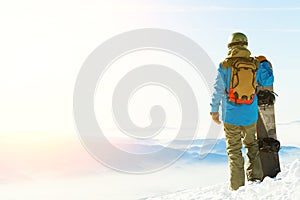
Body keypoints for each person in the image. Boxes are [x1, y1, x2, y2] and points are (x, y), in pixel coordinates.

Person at [210, 32, 274, 190]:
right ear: (246, 44)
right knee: (252, 146)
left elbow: (218, 90)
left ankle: (237, 188)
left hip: (230, 116)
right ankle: (255, 180)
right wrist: (264, 62)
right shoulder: (255, 64)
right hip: (250, 115)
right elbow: (268, 80)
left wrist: (214, 111)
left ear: (230, 46)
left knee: (234, 151)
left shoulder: (224, 65)